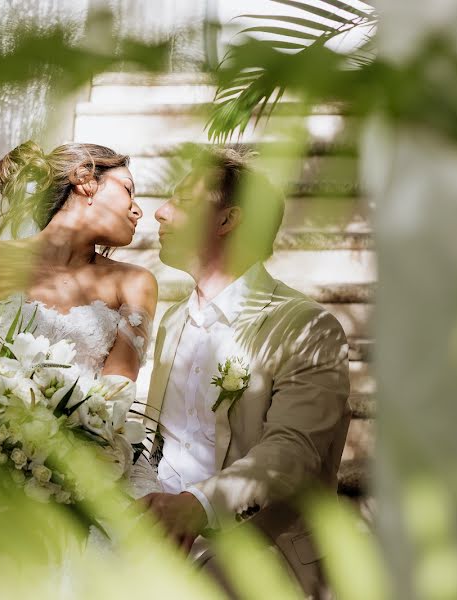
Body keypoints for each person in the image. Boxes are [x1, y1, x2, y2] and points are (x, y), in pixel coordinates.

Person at [140, 146, 351, 597]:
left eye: (181, 199)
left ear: (227, 220)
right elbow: (158, 442)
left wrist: (196, 507)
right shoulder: (173, 321)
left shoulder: (308, 326)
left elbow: (292, 452)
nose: (160, 212)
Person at [0, 140, 157, 384]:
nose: (137, 210)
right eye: (127, 189)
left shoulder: (135, 283)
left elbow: (115, 398)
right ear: (84, 179)